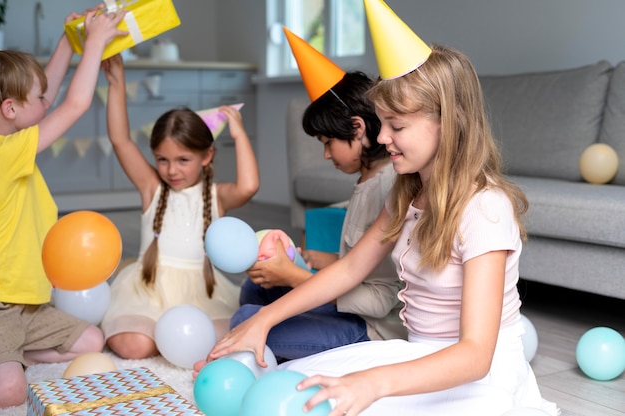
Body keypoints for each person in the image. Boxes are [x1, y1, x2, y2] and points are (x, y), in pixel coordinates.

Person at [207, 3, 559, 413]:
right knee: (303, 390)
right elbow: (351, 268)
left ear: (449, 122)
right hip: (414, 355)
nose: (384, 137)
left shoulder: (485, 209)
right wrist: (262, 320)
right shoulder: (406, 193)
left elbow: (475, 356)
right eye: (382, 122)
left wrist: (373, 383)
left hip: (476, 376)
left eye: (398, 126)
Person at [229, 68, 406, 363]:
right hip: (349, 307)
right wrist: (320, 262)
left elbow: (378, 299)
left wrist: (294, 276)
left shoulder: (388, 187)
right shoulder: (367, 180)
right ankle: (291, 349)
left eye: (328, 142)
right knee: (256, 289)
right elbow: (367, 265)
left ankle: (300, 352)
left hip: (369, 329)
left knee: (246, 319)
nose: (326, 154)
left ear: (357, 128)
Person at [0, 7, 127, 408]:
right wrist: (93, 45)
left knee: (93, 340)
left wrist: (67, 41)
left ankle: (16, 354)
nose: (46, 102)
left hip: (30, 304)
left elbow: (45, 94)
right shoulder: (6, 153)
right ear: (10, 110)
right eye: (38, 100)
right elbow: (72, 105)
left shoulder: (14, 137)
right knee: (11, 393)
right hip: (1, 307)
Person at [100, 53, 259, 360]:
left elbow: (249, 186)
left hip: (202, 293)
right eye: (162, 159)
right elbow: (120, 140)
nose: (172, 170)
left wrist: (238, 135)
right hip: (149, 288)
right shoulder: (152, 187)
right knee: (135, 346)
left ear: (207, 156)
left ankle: (167, 337)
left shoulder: (217, 195)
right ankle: (152, 332)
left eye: (183, 160)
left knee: (227, 336)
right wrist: (117, 82)